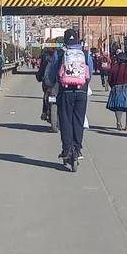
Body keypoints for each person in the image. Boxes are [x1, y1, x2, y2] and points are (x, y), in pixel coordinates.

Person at [45, 29, 94, 170]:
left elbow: (52, 73)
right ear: (77, 39)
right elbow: (90, 72)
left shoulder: (60, 53)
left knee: (65, 121)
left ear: (65, 40)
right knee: (78, 121)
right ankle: (77, 149)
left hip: (65, 91)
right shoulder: (85, 53)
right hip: (81, 92)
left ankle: (67, 150)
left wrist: (51, 85)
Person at [36, 48, 56, 129]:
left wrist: (39, 78)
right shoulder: (61, 60)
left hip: (47, 84)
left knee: (45, 95)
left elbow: (40, 72)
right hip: (58, 84)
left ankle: (44, 112)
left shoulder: (46, 61)